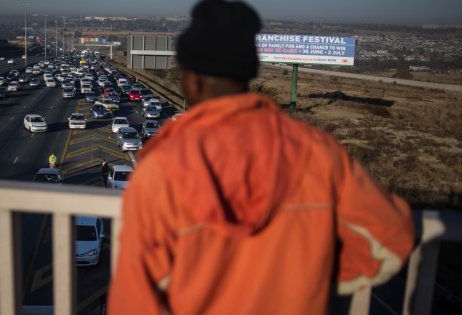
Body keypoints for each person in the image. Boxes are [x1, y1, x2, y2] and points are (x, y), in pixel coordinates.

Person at [107, 1, 414, 314]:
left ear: (193, 80)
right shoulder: (316, 153)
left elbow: (133, 301)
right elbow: (390, 241)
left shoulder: (161, 169)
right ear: (248, 73)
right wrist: (313, 276)